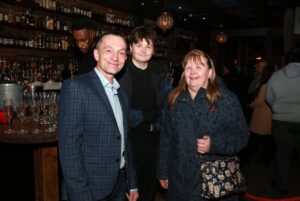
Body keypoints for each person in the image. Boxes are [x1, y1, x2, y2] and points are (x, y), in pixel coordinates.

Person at [158, 49, 249, 201]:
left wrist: (214, 144)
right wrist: (163, 171)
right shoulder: (174, 99)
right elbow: (166, 138)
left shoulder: (226, 100)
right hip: (179, 181)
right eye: (188, 68)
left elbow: (242, 136)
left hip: (214, 183)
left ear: (210, 72)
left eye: (198, 67)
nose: (192, 72)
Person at [58, 33, 139, 201]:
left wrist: (132, 182)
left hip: (119, 184)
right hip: (89, 189)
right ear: (96, 54)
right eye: (109, 50)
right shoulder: (76, 87)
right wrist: (81, 195)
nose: (116, 57)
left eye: (122, 52)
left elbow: (125, 140)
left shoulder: (121, 93)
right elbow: (69, 149)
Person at [117, 26, 169, 201]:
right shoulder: (120, 71)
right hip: (129, 139)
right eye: (139, 45)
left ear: (154, 50)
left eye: (148, 46)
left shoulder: (159, 71)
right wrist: (144, 117)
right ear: (130, 48)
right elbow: (120, 110)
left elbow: (165, 104)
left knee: (148, 187)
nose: (144, 50)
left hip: (154, 138)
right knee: (129, 188)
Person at [266, 48, 300, 194]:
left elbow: (268, 97)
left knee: (283, 155)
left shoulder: (276, 75)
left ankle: (282, 186)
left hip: (280, 121)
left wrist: (277, 107)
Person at [248, 64, 276, 164]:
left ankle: (250, 157)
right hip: (268, 113)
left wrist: (251, 104)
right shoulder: (273, 83)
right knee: (266, 138)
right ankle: (266, 158)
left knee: (256, 137)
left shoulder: (265, 85)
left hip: (261, 114)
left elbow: (260, 101)